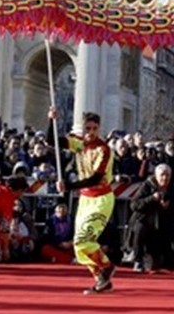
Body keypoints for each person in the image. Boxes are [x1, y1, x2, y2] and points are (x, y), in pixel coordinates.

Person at [49, 107, 116, 294]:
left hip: (101, 199)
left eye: (94, 128)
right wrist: (51, 121)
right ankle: (102, 281)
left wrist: (69, 186)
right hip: (85, 199)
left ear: (99, 129)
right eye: (88, 128)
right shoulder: (78, 143)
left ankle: (107, 266)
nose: (91, 132)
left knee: (84, 240)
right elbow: (52, 141)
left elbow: (95, 178)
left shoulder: (104, 150)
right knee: (79, 248)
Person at [125, 162, 174, 272]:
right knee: (140, 229)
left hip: (163, 223)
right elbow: (134, 205)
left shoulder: (173, 189)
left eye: (167, 175)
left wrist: (168, 207)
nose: (165, 178)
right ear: (156, 176)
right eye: (162, 175)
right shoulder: (146, 186)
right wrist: (151, 199)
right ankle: (138, 260)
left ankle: (171, 261)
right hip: (145, 221)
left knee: (173, 234)